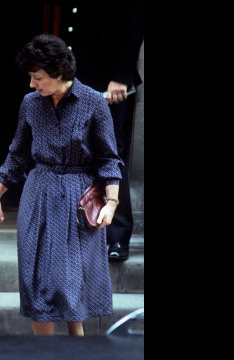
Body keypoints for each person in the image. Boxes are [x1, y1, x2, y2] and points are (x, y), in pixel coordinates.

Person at [0, 34, 123, 336]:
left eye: (38, 78)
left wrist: (111, 203)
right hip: (39, 192)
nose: (33, 84)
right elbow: (17, 153)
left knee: (70, 282)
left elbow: (108, 159)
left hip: (78, 196)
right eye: (31, 77)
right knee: (36, 280)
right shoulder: (30, 104)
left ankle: (76, 351)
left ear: (60, 73)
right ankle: (44, 355)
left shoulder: (93, 103)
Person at [58, 0, 145, 260]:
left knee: (109, 151)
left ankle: (116, 236)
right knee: (71, 149)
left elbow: (134, 22)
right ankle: (77, 228)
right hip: (74, 76)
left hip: (108, 83)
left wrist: (121, 74)